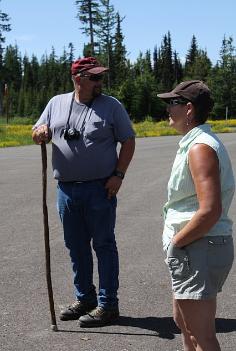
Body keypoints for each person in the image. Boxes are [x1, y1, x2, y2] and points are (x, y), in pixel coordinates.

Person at [32, 56, 135, 327]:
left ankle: (108, 305)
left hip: (100, 189)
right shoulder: (56, 103)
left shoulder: (111, 106)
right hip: (66, 190)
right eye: (96, 77)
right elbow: (37, 131)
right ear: (78, 78)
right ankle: (85, 298)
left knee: (103, 245)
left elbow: (128, 141)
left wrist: (118, 175)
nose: (101, 82)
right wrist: (41, 131)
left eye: (101, 77)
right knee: (75, 247)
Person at [157, 80, 235, 351]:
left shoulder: (200, 148)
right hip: (195, 248)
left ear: (188, 109)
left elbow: (210, 210)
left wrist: (177, 242)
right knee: (184, 324)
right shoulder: (195, 143)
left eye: (172, 103)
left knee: (202, 336)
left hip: (198, 247)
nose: (168, 108)